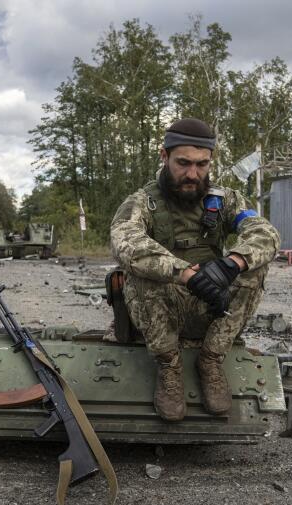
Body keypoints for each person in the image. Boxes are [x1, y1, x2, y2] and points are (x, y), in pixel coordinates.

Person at [110, 118, 280, 421]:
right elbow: (126, 242)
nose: (192, 174)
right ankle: (169, 367)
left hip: (211, 310)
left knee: (256, 265)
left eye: (202, 164)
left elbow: (265, 233)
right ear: (164, 156)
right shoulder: (142, 203)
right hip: (161, 312)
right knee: (142, 269)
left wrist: (232, 264)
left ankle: (211, 359)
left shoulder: (225, 200)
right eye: (183, 163)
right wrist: (187, 275)